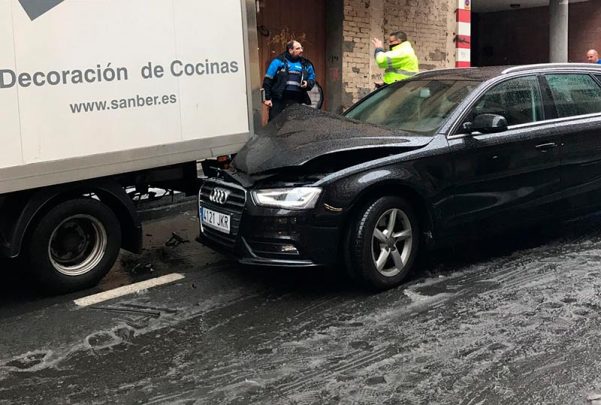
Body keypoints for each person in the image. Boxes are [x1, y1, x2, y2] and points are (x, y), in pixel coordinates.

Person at [262, 40, 316, 121]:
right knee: (275, 122)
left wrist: (307, 83)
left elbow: (312, 78)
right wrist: (267, 98)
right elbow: (268, 80)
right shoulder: (278, 61)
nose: (301, 50)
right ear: (290, 50)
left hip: (297, 99)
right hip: (279, 98)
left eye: (301, 48)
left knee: (295, 123)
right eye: (298, 48)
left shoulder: (306, 64)